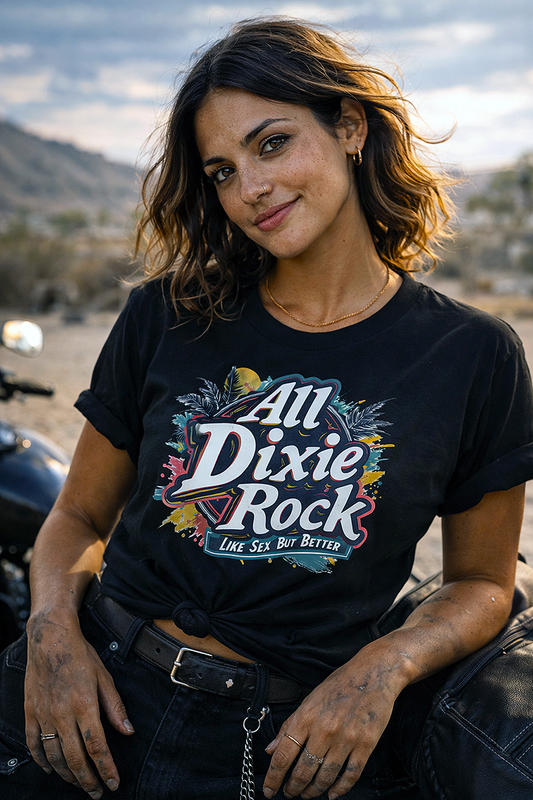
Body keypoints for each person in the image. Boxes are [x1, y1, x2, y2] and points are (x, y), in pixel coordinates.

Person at [1, 16, 533, 800]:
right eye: (220, 170)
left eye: (272, 143)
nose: (248, 188)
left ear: (349, 127)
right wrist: (49, 637)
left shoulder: (470, 355)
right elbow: (78, 518)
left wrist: (379, 670)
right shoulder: (168, 315)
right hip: (87, 696)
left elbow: (482, 583)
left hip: (287, 747)